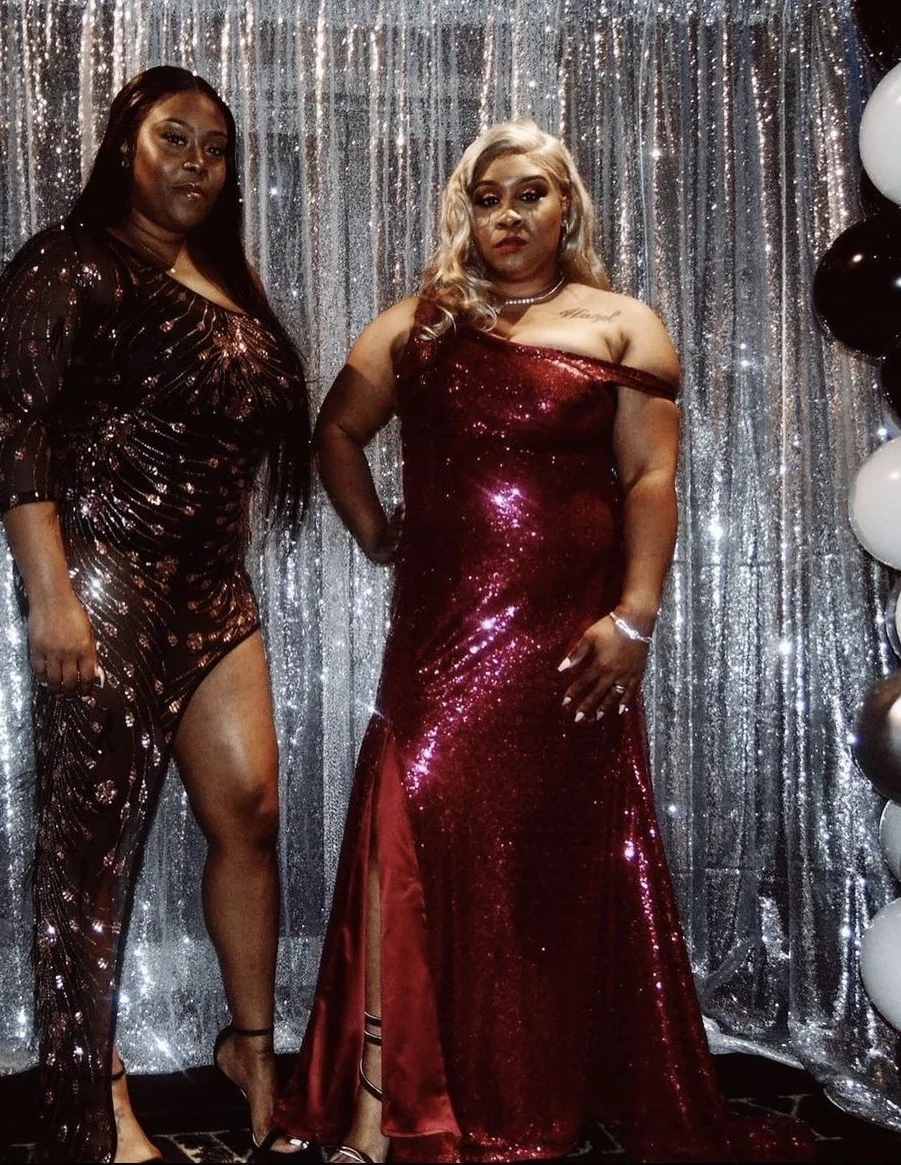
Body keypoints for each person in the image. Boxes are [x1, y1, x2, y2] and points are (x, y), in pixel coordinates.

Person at [273, 119, 815, 1163]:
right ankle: (386, 1100)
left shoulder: (621, 327)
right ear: (462, 213)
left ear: (566, 205)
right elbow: (334, 434)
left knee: (543, 874)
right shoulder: (415, 327)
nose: (507, 216)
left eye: (529, 195)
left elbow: (648, 478)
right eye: (487, 199)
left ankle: (530, 1092)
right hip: (438, 637)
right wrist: (377, 530)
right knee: (409, 819)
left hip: (570, 645)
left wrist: (634, 618)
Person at [0, 66, 313, 1163]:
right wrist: (51, 595)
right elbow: (20, 434)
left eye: (216, 148)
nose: (196, 162)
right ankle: (93, 1101)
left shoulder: (222, 281)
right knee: (89, 853)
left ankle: (251, 1054)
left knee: (252, 813)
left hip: (214, 586)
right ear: (124, 142)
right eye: (175, 137)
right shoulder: (69, 261)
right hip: (106, 577)